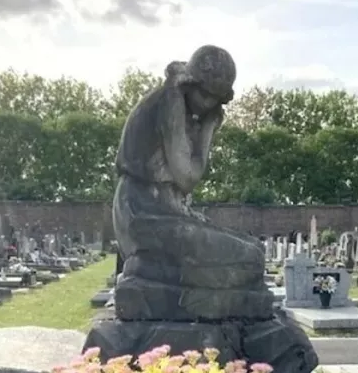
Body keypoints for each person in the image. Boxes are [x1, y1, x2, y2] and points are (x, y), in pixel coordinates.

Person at [113, 45, 267, 297]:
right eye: (206, 96)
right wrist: (208, 130)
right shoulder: (171, 101)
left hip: (161, 211)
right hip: (142, 216)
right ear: (191, 84)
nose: (209, 106)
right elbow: (187, 177)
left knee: (254, 250)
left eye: (216, 101)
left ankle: (154, 274)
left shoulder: (179, 104)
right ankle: (148, 273)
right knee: (249, 257)